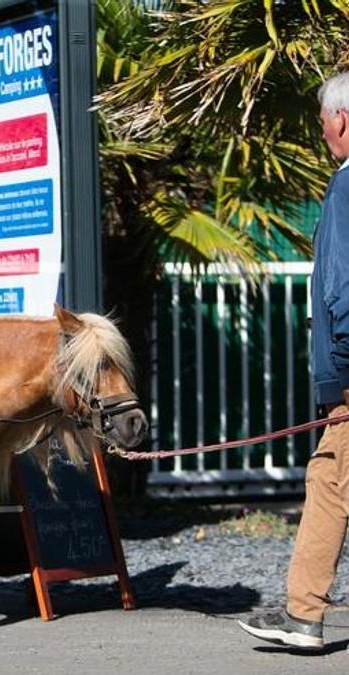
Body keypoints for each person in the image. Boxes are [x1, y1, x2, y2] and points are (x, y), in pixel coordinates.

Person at [238, 71, 349, 650]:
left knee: (329, 482)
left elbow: (343, 289)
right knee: (331, 480)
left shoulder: (346, 187)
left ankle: (304, 617)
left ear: (342, 120)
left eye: (324, 121)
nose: (323, 132)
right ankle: (303, 613)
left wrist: (340, 374)